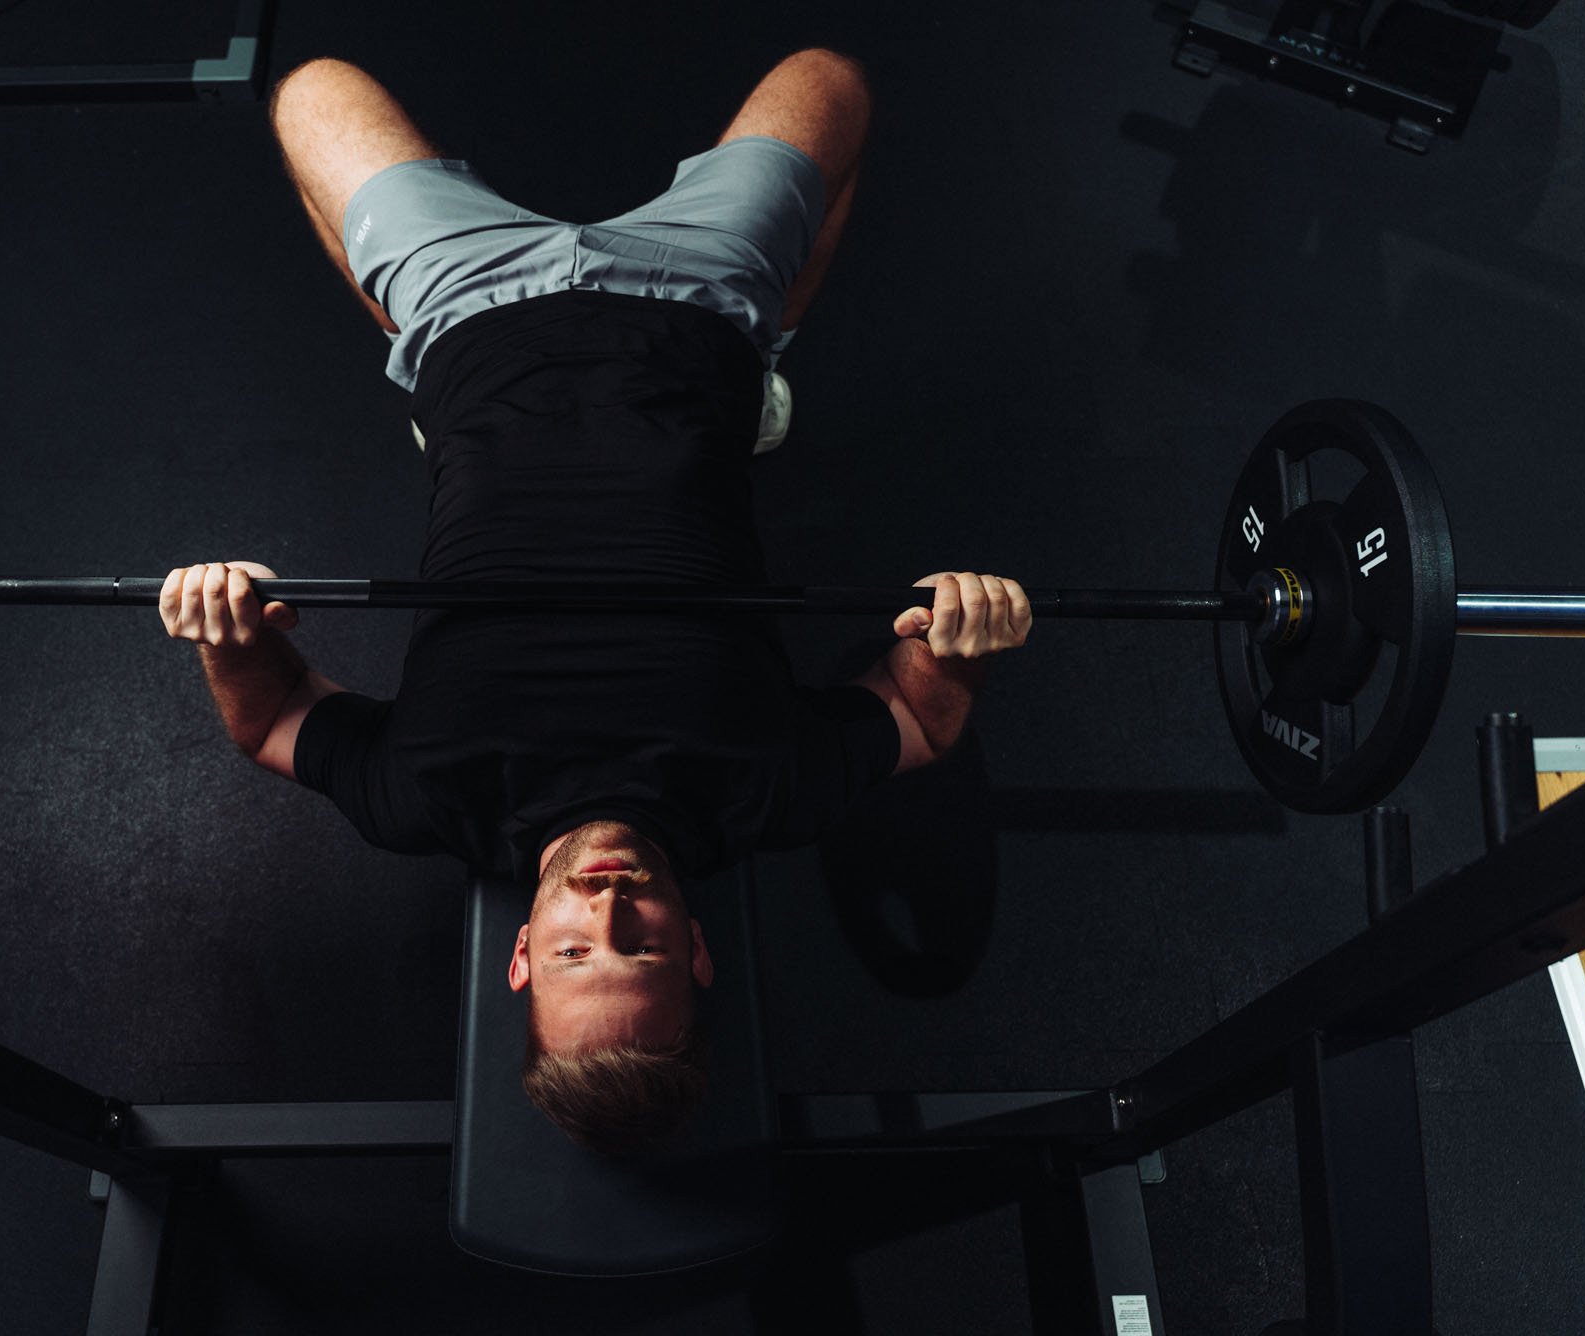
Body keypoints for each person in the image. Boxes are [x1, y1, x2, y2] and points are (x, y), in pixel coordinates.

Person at [157, 50, 1032, 1155]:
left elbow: (271, 723)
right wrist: (962, 634)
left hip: (468, 312)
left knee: (306, 93)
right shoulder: (760, 794)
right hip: (697, 304)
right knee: (835, 84)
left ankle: (407, 343)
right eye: (644, 947)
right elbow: (919, 721)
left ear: (522, 952)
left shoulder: (428, 799)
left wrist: (222, 626)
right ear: (698, 949)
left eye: (577, 951)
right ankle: (760, 360)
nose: (609, 909)